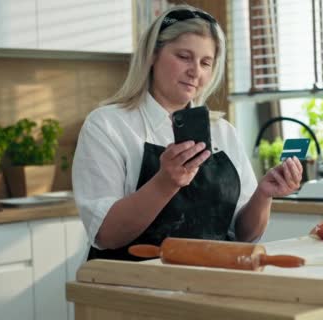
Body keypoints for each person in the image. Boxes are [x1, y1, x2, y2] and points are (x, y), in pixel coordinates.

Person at [72, 4, 303, 261]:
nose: (196, 71)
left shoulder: (223, 132)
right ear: (152, 56)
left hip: (208, 285)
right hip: (131, 288)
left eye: (206, 62)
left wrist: (263, 195)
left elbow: (243, 235)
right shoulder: (108, 125)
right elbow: (106, 234)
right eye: (184, 57)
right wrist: (165, 182)